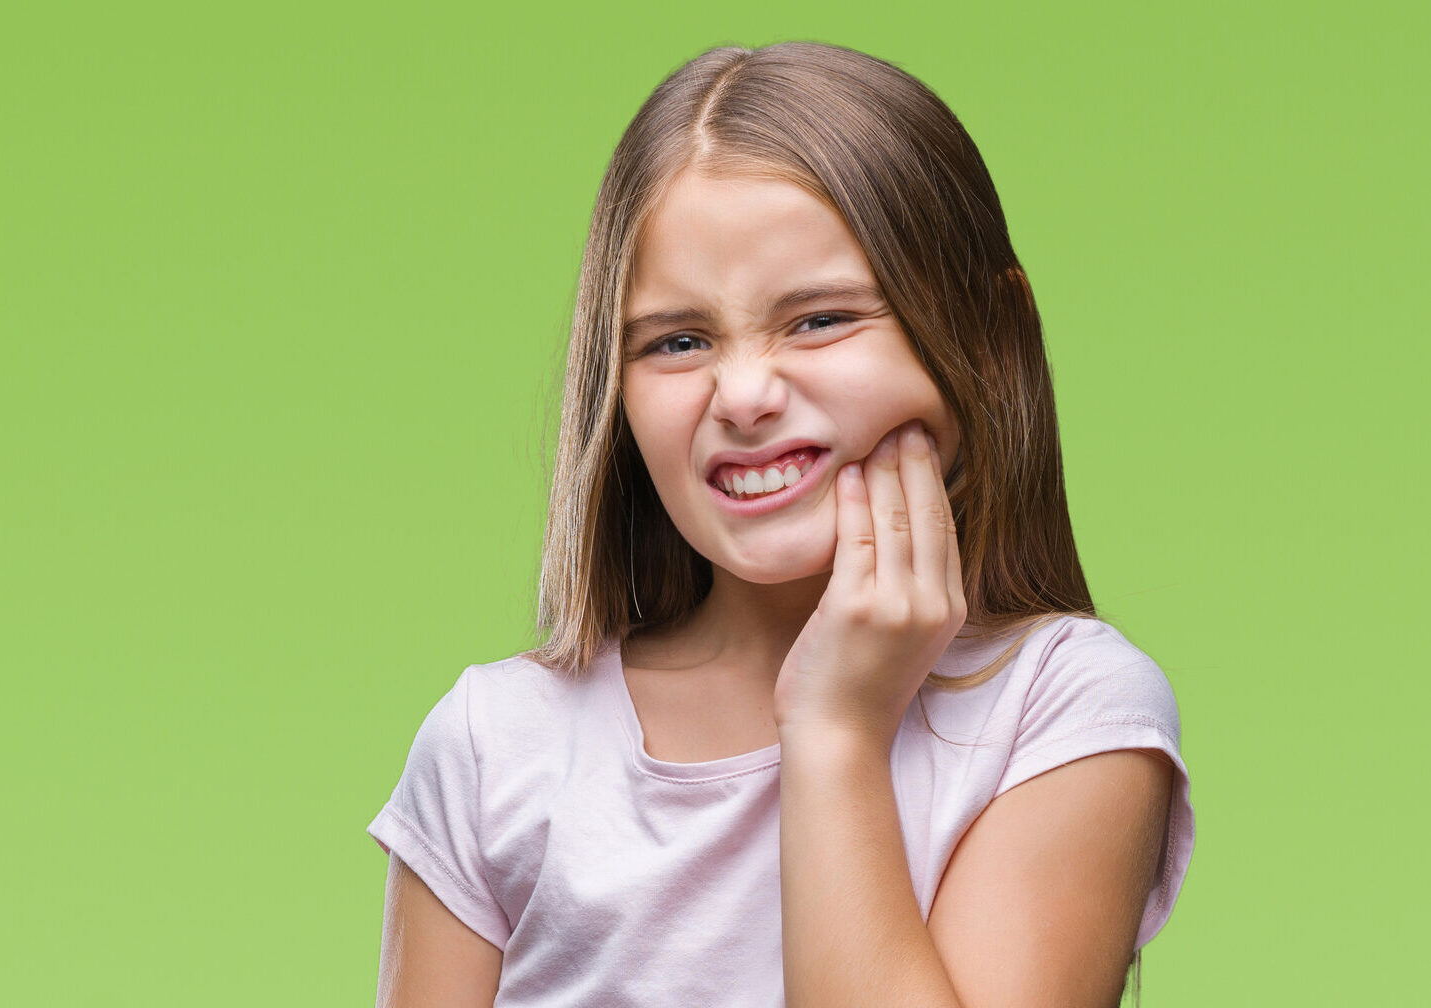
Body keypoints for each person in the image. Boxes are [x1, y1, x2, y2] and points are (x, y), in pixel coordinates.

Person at [368, 40, 1194, 1007]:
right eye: (678, 342)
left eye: (820, 321)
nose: (745, 393)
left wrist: (837, 734)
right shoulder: (494, 745)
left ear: (989, 336)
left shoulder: (1065, 714)